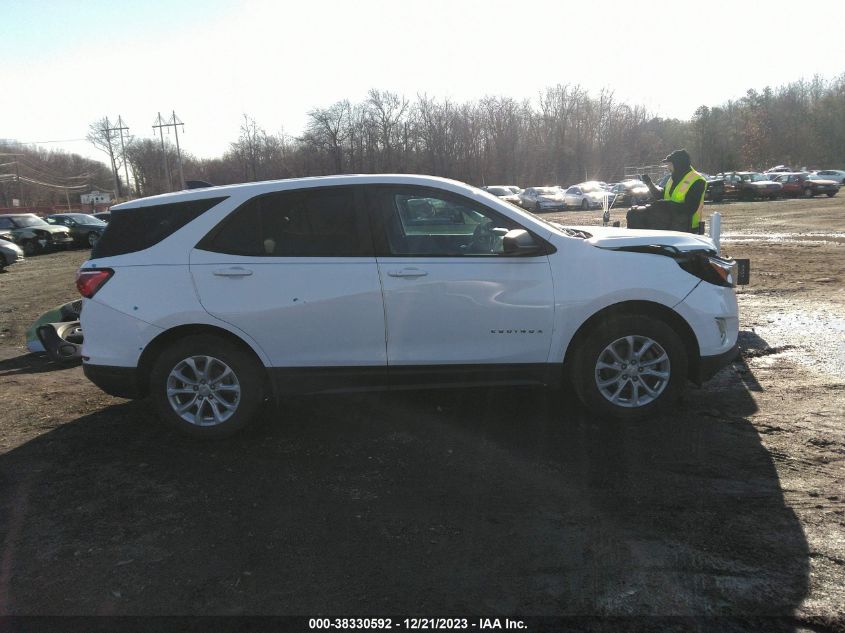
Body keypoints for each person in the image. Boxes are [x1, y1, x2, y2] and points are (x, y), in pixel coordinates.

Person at [626, 149, 707, 232]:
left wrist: (665, 204)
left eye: (670, 165)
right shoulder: (672, 179)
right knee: (634, 214)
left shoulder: (697, 180)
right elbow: (661, 196)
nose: (668, 168)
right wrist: (649, 184)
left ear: (678, 165)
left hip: (689, 229)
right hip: (671, 224)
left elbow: (689, 208)